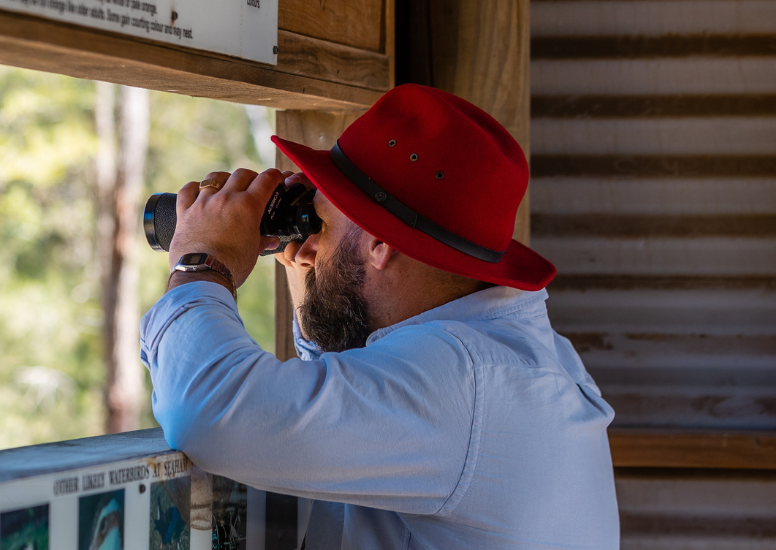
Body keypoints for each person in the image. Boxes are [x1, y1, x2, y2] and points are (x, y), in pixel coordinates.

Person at [140, 84, 619, 548]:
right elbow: (339, 405)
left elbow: (206, 411)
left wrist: (202, 259)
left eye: (318, 223)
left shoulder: (457, 384)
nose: (305, 248)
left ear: (379, 244)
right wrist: (318, 277)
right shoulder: (510, 360)